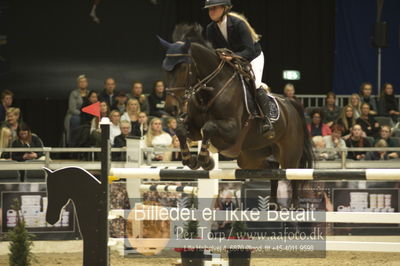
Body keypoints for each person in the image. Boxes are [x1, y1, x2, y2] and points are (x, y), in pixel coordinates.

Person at [204, 0, 274, 138]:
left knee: (255, 83)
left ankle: (266, 120)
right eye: (209, 9)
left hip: (252, 57)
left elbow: (248, 50)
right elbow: (213, 50)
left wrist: (232, 57)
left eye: (214, 8)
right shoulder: (210, 29)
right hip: (231, 60)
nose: (211, 11)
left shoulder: (238, 24)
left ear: (225, 8)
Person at [64, 75, 89, 145]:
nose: (83, 83)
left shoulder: (89, 94)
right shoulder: (74, 93)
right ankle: (73, 143)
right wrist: (83, 114)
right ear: (78, 84)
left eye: (84, 81)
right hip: (75, 115)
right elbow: (72, 109)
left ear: (87, 83)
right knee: (76, 119)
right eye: (81, 82)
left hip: (87, 115)